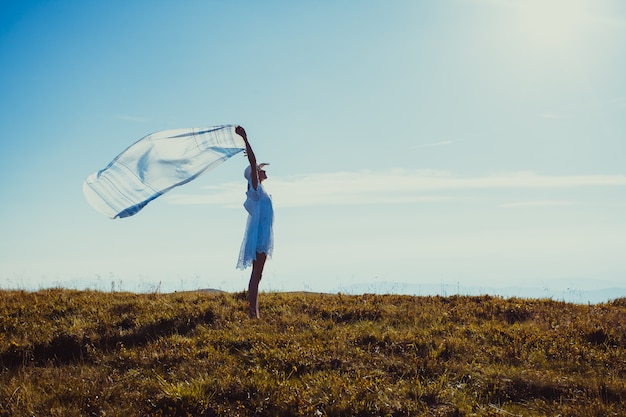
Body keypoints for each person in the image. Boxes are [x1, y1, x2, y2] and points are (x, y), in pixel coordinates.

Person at [235, 125, 274, 318]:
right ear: (254, 175)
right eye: (259, 170)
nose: (262, 171)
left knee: (258, 275)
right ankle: (253, 313)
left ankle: (254, 312)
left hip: (262, 235)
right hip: (258, 236)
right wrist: (246, 140)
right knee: (256, 274)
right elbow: (253, 161)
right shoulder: (256, 189)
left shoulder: (262, 191)